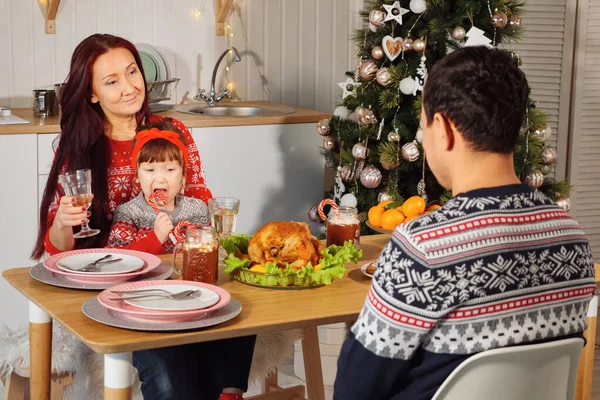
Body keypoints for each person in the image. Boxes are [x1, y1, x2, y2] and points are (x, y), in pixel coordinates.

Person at [333, 46, 596, 400]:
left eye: (424, 126)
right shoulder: (572, 239)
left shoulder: (424, 248)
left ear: (442, 128)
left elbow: (354, 390)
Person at [32, 33, 254, 400]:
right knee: (170, 371)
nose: (130, 87)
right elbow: (58, 253)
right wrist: (62, 222)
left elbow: (200, 199)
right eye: (112, 81)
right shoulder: (79, 147)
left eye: (132, 72)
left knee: (236, 313)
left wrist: (191, 231)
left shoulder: (173, 132)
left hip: (178, 271)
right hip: (117, 288)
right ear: (91, 94)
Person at [108, 121, 210, 252]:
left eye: (170, 169)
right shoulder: (128, 214)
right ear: (137, 175)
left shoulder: (198, 210)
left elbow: (209, 251)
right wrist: (156, 237)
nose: (160, 178)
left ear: (183, 174)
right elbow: (119, 260)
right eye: (150, 170)